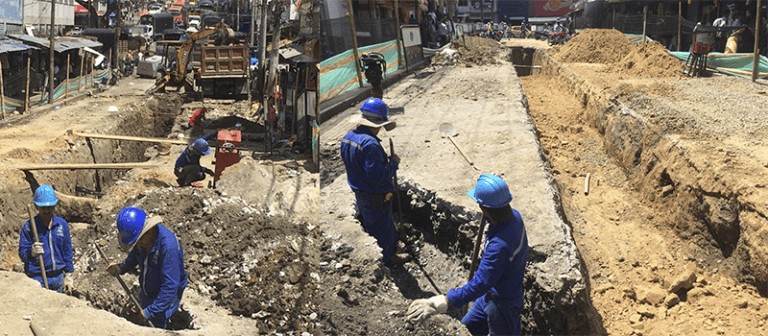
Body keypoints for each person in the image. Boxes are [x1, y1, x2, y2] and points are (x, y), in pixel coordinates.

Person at [407, 174, 529, 336]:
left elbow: (481, 282)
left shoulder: (499, 246)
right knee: (465, 328)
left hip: (502, 304)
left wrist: (445, 301)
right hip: (488, 296)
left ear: (484, 208)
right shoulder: (515, 217)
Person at [340, 98, 406, 268]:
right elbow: (377, 175)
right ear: (378, 124)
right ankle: (386, 265)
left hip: (361, 193)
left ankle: (390, 256)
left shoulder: (348, 137)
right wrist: (393, 164)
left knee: (378, 228)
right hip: (375, 197)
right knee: (382, 232)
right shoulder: (370, 144)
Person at [107, 207, 187, 329]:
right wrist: (121, 267)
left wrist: (152, 311)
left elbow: (170, 286)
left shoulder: (168, 248)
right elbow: (134, 256)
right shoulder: (143, 241)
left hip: (164, 299)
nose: (138, 244)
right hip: (148, 292)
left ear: (147, 230)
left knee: (157, 327)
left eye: (139, 240)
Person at [18, 185, 74, 293]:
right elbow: (22, 253)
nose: (47, 211)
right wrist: (31, 252)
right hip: (37, 277)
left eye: (50, 207)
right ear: (36, 206)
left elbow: (67, 251)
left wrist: (69, 275)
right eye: (43, 207)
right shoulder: (29, 227)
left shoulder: (61, 225)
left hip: (58, 276)